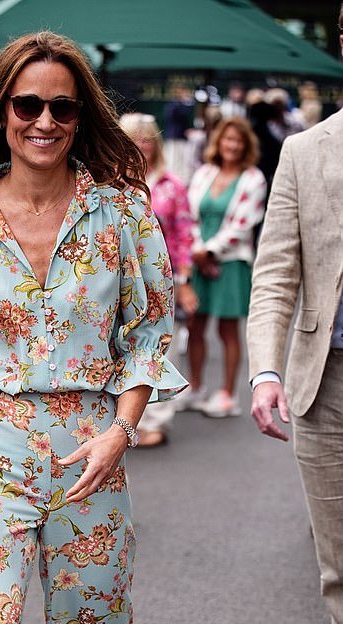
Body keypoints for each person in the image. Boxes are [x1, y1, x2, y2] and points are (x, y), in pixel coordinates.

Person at [0, 31, 186, 622]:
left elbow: (147, 336)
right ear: (1, 110)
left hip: (93, 458)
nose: (45, 122)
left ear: (80, 117)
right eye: (28, 105)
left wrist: (122, 433)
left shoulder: (124, 218)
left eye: (63, 107)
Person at [247, 9, 343, 621]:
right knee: (338, 562)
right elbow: (276, 274)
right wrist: (265, 371)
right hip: (325, 383)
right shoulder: (304, 151)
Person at [119, 113, 197, 446]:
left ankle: (156, 420)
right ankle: (122, 420)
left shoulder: (170, 184)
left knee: (161, 344)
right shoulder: (110, 182)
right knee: (121, 345)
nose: (141, 145)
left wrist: (184, 280)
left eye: (147, 138)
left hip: (160, 277)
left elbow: (183, 234)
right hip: (121, 274)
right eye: (134, 138)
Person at [180, 117, 266, 417]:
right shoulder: (204, 172)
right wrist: (196, 252)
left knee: (228, 329)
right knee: (195, 325)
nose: (233, 145)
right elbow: (188, 214)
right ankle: (195, 387)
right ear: (219, 142)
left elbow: (243, 224)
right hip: (197, 259)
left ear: (246, 145)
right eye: (228, 139)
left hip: (230, 262)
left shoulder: (254, 178)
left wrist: (209, 252)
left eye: (238, 141)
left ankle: (229, 395)